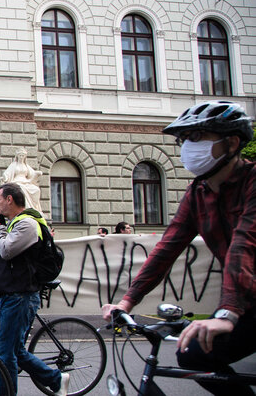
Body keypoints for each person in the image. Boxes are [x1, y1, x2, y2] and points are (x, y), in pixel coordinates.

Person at [102, 100, 255, 396]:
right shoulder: (197, 192)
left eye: (197, 138)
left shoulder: (252, 181)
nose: (187, 146)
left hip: (240, 304)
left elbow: (243, 244)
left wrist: (226, 314)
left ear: (232, 143)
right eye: (184, 140)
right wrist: (127, 302)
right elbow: (166, 248)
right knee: (192, 355)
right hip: (248, 304)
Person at [0, 183, 69, 396]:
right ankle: (56, 379)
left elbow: (6, 251)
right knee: (14, 351)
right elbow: (4, 259)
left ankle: (54, 379)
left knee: (6, 354)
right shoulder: (15, 223)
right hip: (12, 294)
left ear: (9, 199)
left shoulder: (27, 224)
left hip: (21, 295)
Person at [1, 147, 43, 213]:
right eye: (20, 155)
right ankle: (24, 208)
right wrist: (5, 177)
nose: (21, 157)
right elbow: (8, 173)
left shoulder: (26, 166)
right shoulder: (14, 165)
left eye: (23, 156)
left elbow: (32, 174)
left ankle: (32, 209)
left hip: (26, 182)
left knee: (36, 190)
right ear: (17, 156)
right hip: (16, 182)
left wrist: (37, 173)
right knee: (21, 189)